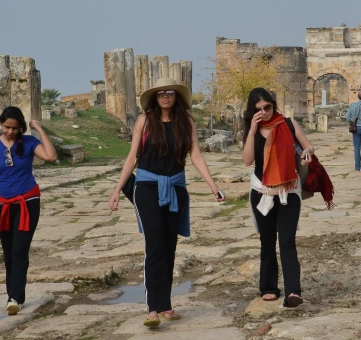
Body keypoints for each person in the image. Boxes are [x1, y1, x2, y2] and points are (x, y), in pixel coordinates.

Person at [109, 78, 225, 328]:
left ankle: (166, 304)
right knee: (155, 245)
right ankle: (152, 309)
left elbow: (195, 154)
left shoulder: (187, 122)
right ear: (154, 97)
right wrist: (118, 189)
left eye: (169, 93)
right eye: (160, 93)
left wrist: (212, 185)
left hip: (175, 187)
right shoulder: (145, 121)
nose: (165, 96)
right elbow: (132, 157)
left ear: (176, 96)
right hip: (147, 188)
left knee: (169, 246)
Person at [0, 106, 57, 316]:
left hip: (28, 202)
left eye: (15, 128)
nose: (11, 132)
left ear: (21, 127)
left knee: (19, 250)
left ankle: (13, 298)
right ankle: (16, 296)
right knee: (8, 252)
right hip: (2, 205)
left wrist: (40, 130)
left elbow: (50, 157)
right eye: (7, 127)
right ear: (1, 124)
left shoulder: (30, 142)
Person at [242, 87, 314, 307]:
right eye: (259, 109)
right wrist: (253, 130)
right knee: (267, 241)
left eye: (268, 107)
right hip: (262, 192)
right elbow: (247, 161)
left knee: (287, 241)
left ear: (273, 105)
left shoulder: (289, 124)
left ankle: (293, 291)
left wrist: (307, 153)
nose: (264, 112)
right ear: (252, 111)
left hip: (288, 191)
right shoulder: (250, 130)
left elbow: (307, 144)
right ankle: (269, 287)